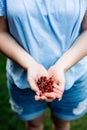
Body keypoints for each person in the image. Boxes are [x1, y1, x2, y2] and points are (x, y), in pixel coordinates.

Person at [0, 0, 87, 130]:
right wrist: (30, 65)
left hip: (73, 76)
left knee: (62, 125)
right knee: (33, 125)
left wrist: (62, 66)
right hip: (23, 80)